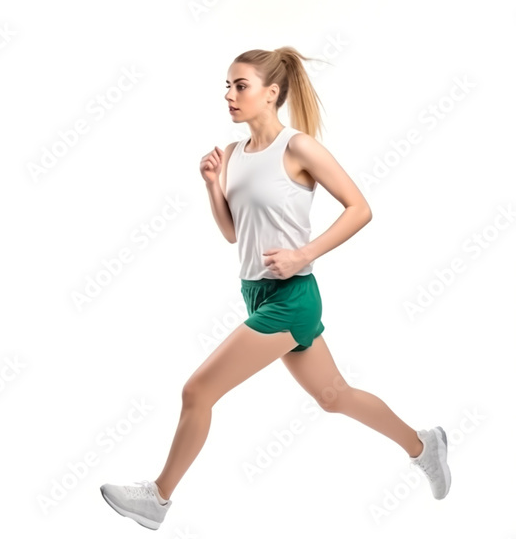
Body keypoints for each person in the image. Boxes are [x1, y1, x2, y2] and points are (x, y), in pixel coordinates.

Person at [99, 47, 451, 531]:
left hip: (292, 297)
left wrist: (304, 254)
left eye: (240, 86)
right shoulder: (232, 155)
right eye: (226, 86)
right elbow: (232, 234)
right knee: (335, 396)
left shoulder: (298, 147)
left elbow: (359, 209)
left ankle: (157, 498)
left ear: (272, 93)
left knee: (197, 390)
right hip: (257, 293)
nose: (229, 95)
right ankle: (423, 444)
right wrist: (211, 186)